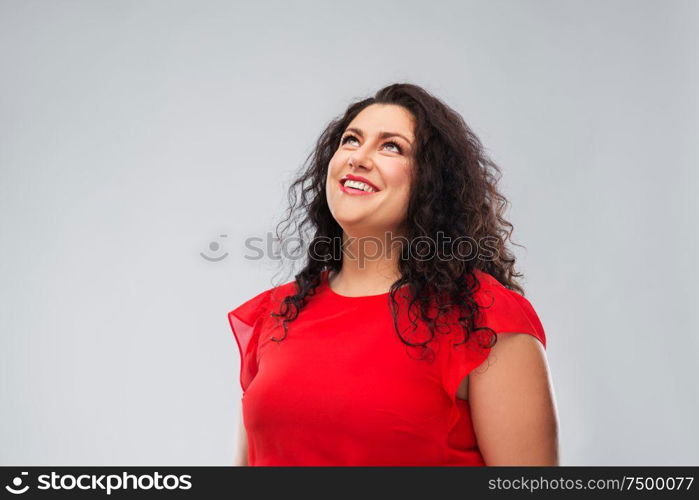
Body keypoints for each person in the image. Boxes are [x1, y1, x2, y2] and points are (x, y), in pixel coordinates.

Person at [228, 83, 559, 466]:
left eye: (391, 146)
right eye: (351, 140)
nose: (358, 158)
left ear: (432, 182)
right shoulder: (276, 314)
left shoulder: (483, 317)